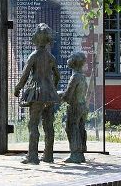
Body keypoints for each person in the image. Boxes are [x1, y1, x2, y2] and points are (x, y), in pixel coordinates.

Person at [14, 23, 60, 164]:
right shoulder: (51, 57)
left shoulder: (33, 56)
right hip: (49, 94)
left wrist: (17, 88)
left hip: (37, 94)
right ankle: (48, 155)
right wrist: (52, 88)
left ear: (36, 38)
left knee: (33, 124)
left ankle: (32, 156)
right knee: (48, 125)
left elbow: (25, 75)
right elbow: (57, 76)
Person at [59, 51, 88, 163]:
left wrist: (58, 94)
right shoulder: (82, 77)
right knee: (80, 128)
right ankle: (80, 153)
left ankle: (75, 154)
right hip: (82, 106)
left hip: (75, 106)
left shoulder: (75, 77)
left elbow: (68, 95)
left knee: (71, 128)